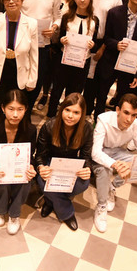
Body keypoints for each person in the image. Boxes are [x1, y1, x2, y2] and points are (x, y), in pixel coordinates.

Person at [93, 0, 137, 118]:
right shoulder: (115, 13)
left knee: (122, 99)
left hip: (130, 65)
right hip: (111, 60)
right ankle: (99, 122)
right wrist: (117, 44)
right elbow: (107, 38)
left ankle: (115, 126)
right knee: (102, 95)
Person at [0, 90, 37, 235]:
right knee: (1, 180)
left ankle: (14, 214)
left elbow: (29, 155)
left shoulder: (30, 130)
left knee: (26, 180)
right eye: (11, 109)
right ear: (3, 108)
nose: (15, 115)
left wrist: (31, 166)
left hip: (17, 170)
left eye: (20, 109)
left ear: (26, 109)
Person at [91, 94, 137, 233]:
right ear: (118, 110)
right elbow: (95, 153)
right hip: (102, 152)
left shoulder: (136, 125)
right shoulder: (103, 119)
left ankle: (113, 186)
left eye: (134, 115)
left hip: (118, 152)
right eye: (126, 113)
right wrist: (117, 165)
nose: (129, 119)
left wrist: (130, 165)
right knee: (104, 172)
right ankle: (102, 206)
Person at [36, 93, 93, 230]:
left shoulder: (87, 128)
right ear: (61, 109)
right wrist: (41, 167)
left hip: (72, 163)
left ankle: (51, 200)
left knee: (83, 184)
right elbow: (40, 155)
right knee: (42, 181)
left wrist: (87, 168)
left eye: (76, 112)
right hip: (51, 161)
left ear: (82, 114)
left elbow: (86, 156)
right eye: (67, 110)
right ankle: (66, 212)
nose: (70, 116)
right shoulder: (49, 126)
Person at [47, 0, 99, 117]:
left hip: (82, 63)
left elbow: (96, 44)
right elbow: (58, 41)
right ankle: (51, 116)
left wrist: (93, 45)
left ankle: (69, 118)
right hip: (64, 61)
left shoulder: (94, 20)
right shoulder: (67, 17)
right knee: (56, 91)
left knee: (74, 93)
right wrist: (62, 41)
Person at [21, 0, 62, 109]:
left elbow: (57, 17)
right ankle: (20, 108)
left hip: (43, 44)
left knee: (37, 80)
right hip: (23, 41)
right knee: (22, 77)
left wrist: (54, 28)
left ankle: (29, 108)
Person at [84, 0, 122, 115]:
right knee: (87, 84)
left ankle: (98, 120)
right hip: (87, 41)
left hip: (106, 44)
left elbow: (116, 28)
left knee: (103, 86)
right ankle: (85, 116)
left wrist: (103, 48)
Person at [37, 0, 77, 111]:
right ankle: (45, 94)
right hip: (49, 38)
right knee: (47, 71)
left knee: (60, 75)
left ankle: (62, 101)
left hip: (66, 42)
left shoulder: (74, 0)